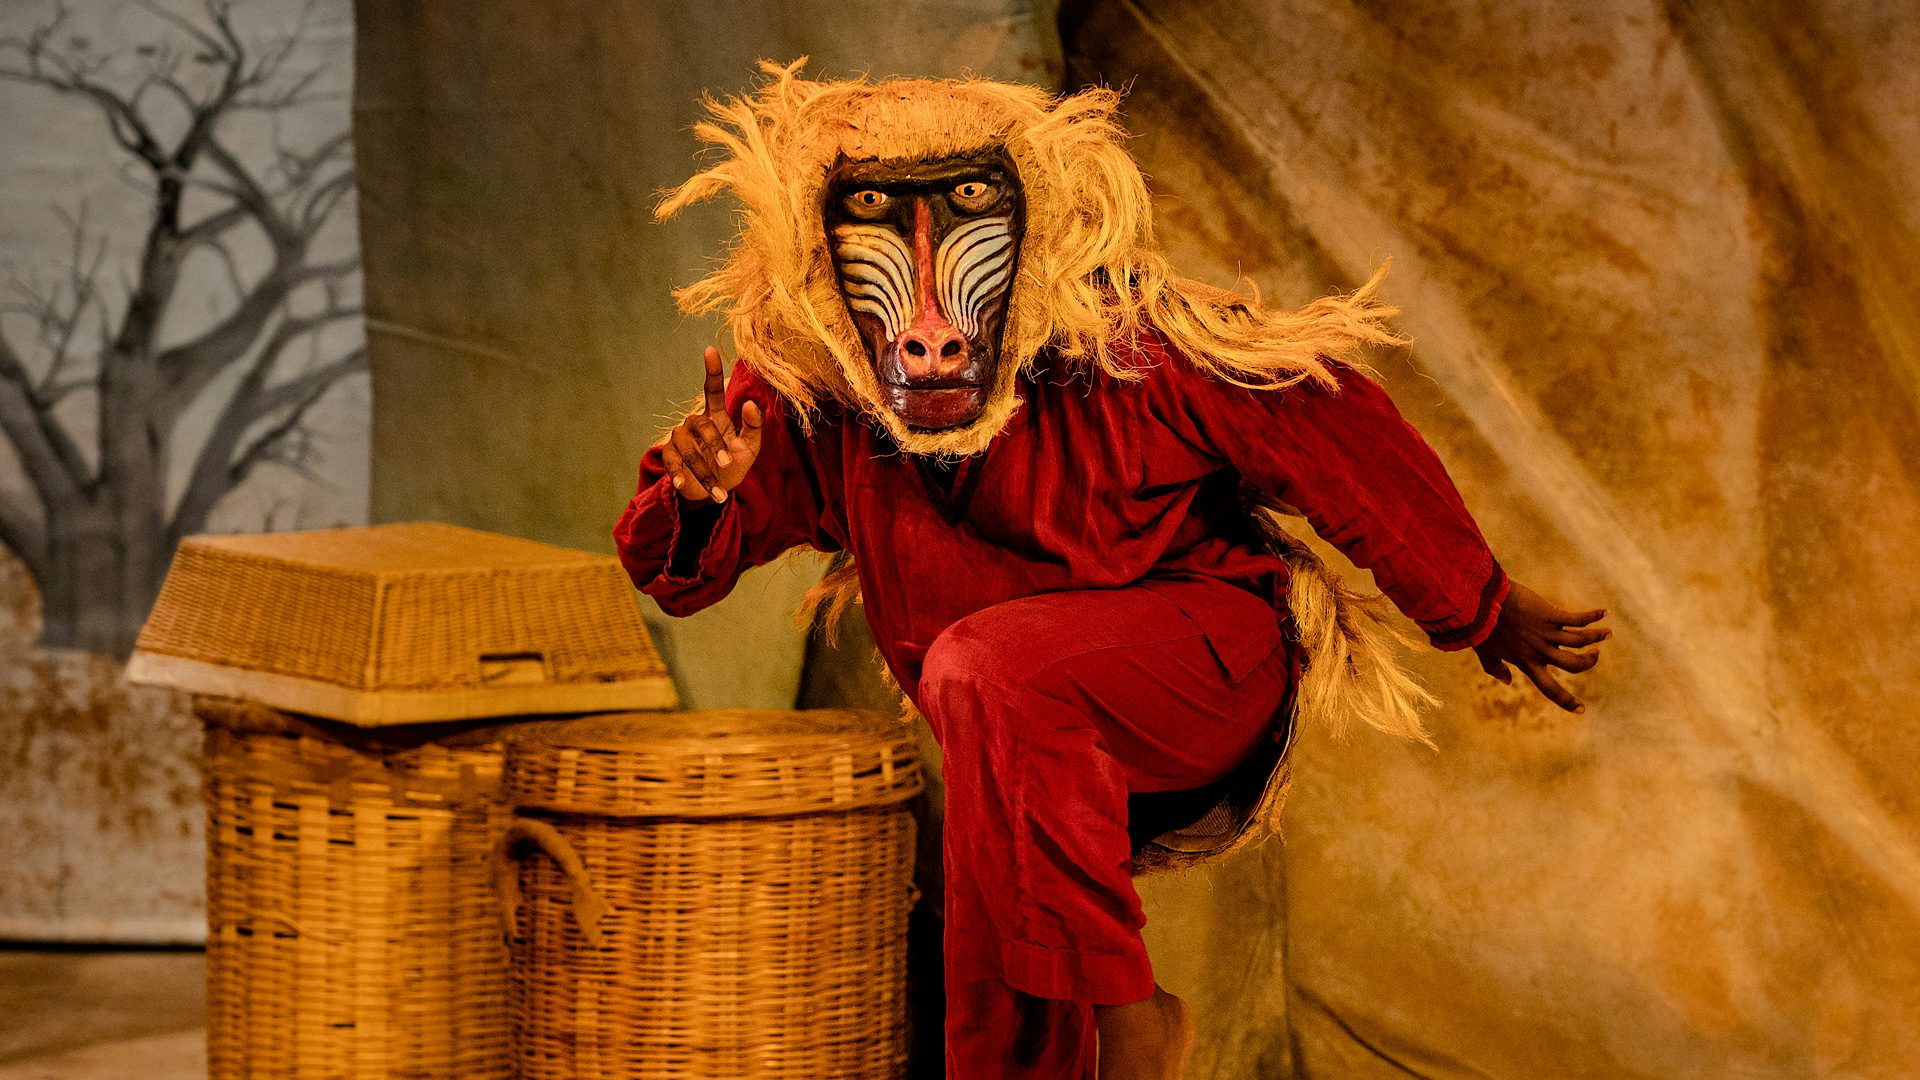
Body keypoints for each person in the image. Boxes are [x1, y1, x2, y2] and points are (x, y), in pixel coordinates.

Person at [614, 64, 1608, 1080]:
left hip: (1201, 666)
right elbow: (677, 570)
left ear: (1033, 226)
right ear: (821, 250)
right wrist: (697, 496)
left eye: (967, 214)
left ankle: (1137, 1021)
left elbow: (1324, 420)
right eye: (874, 217)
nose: (926, 307)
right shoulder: (812, 385)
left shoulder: (1125, 341)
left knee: (981, 673)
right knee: (991, 967)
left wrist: (1481, 602)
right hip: (1013, 727)